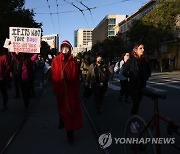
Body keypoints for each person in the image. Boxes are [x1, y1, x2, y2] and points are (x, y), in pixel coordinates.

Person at [51, 40, 82, 142]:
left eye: (67, 47)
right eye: (63, 47)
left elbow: (75, 77)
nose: (65, 49)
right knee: (62, 110)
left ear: (70, 49)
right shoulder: (56, 60)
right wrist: (60, 79)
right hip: (61, 91)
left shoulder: (73, 62)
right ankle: (62, 121)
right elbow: (54, 75)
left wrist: (68, 81)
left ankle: (70, 134)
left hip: (71, 93)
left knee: (70, 113)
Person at [122, 43, 151, 115]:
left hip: (142, 86)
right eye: (140, 48)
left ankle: (134, 117)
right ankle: (133, 119)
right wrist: (132, 76)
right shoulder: (131, 61)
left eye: (143, 48)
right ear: (135, 50)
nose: (143, 50)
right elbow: (124, 72)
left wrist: (145, 78)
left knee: (137, 104)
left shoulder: (145, 61)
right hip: (133, 86)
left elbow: (149, 72)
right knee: (136, 103)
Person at [0, 46, 11, 111]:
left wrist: (3, 75)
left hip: (2, 79)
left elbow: (8, 67)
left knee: (4, 93)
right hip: (2, 78)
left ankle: (4, 105)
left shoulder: (4, 57)